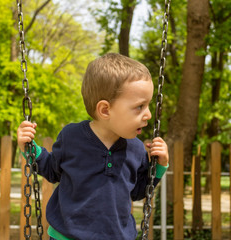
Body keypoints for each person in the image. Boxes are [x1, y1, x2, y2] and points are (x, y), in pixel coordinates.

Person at [17, 53, 169, 240]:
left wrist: (159, 165)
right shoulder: (71, 137)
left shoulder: (136, 150)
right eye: (140, 106)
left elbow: (139, 192)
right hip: (66, 236)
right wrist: (29, 148)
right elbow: (51, 169)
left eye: (148, 106)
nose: (147, 115)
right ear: (105, 110)